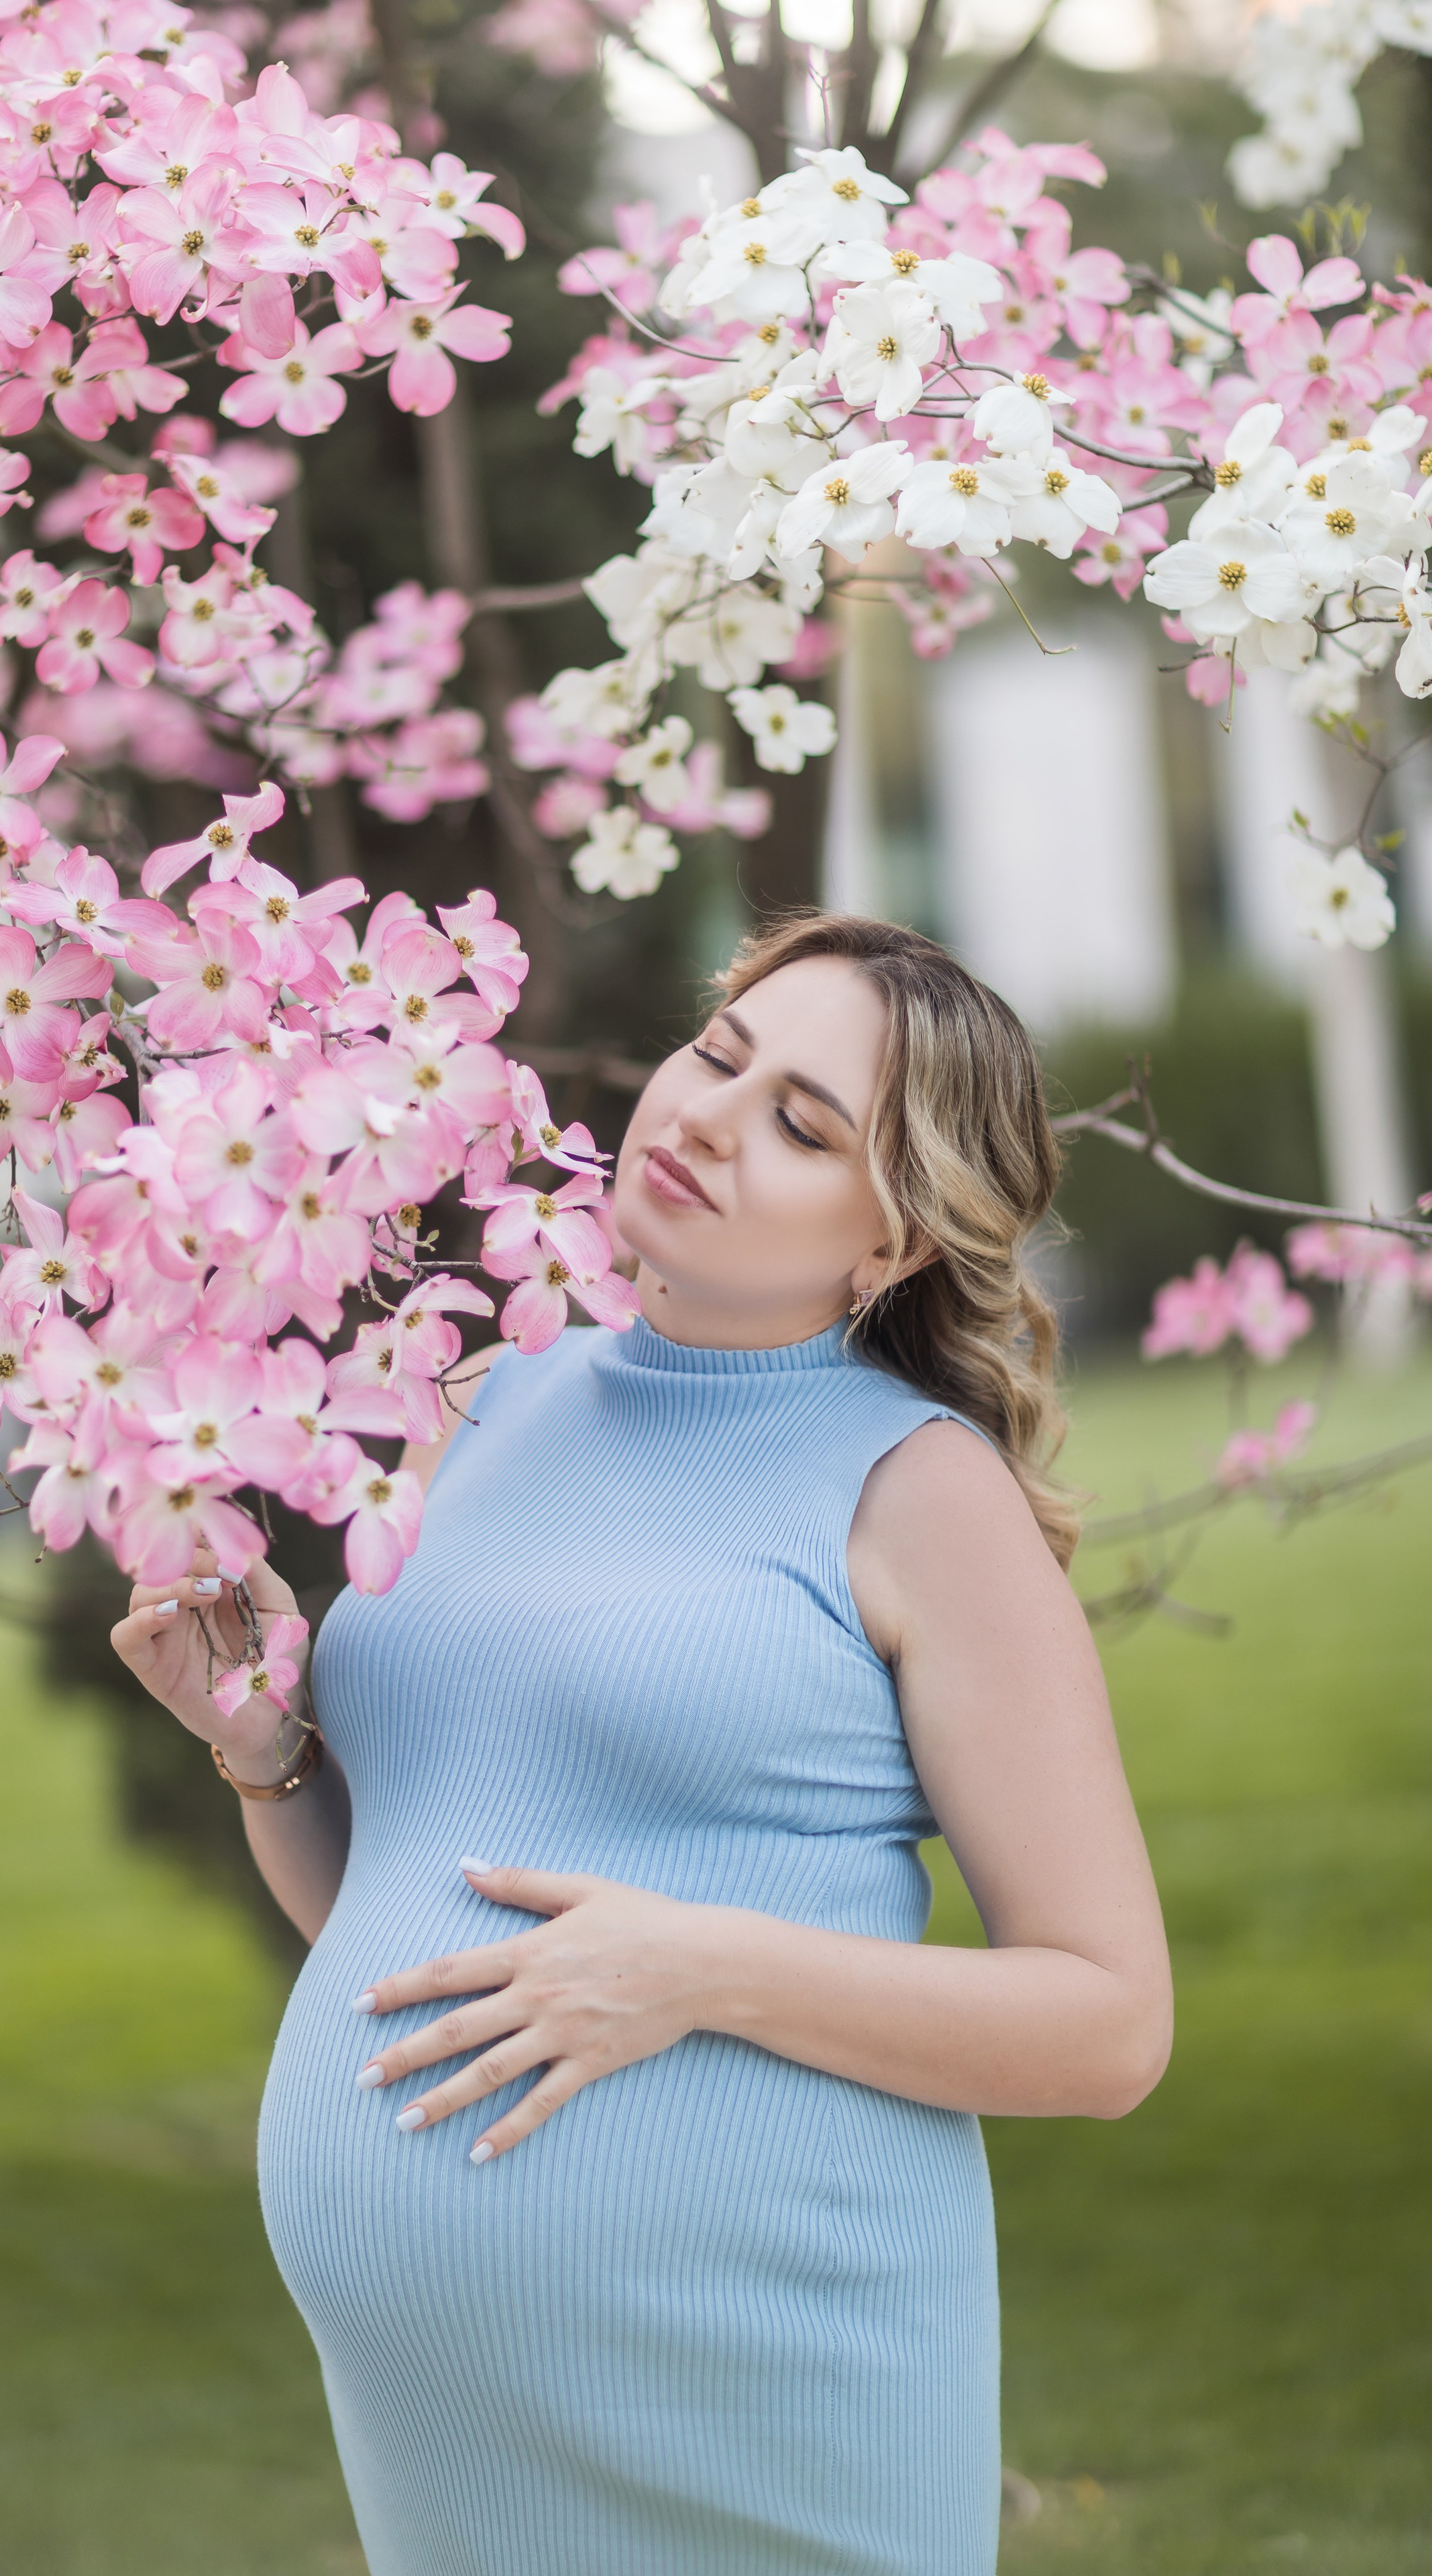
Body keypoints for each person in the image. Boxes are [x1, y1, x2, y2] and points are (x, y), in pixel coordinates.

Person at [112, 910, 1173, 2576]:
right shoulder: (480, 1397)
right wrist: (264, 1755)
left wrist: (699, 1970)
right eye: (719, 1055)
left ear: (890, 1243)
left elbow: (1108, 2026)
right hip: (452, 2442)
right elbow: (422, 1934)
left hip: (766, 2391)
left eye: (801, 1123)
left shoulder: (916, 1492)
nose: (704, 1116)